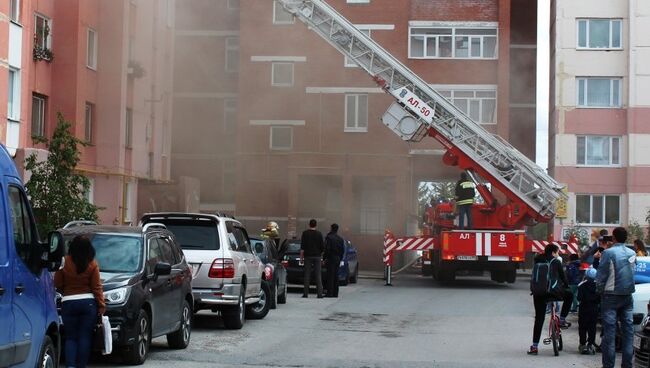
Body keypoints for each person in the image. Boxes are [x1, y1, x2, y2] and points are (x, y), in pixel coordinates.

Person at [54, 235, 106, 368]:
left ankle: (70, 366)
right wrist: (101, 305)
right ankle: (81, 365)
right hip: (88, 304)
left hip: (69, 302)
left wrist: (66, 290)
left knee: (71, 337)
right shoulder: (92, 264)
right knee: (85, 337)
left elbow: (57, 282)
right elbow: (96, 287)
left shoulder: (64, 261)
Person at [595, 227, 636, 368]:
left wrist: (599, 291)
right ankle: (627, 365)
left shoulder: (608, 253)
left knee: (610, 334)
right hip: (627, 295)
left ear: (613, 238)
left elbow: (601, 275)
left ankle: (608, 365)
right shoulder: (632, 252)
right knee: (628, 333)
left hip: (610, 296)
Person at [527, 243, 574, 355]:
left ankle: (534, 347)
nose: (558, 254)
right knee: (570, 295)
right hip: (553, 293)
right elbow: (563, 278)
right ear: (553, 252)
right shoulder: (556, 262)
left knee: (539, 318)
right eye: (557, 252)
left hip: (538, 293)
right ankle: (562, 319)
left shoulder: (537, 261)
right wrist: (566, 286)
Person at [300, 219, 324, 298]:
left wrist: (301, 258)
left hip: (308, 256)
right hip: (317, 256)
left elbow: (302, 247)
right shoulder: (319, 234)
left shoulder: (305, 233)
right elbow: (322, 247)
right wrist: (321, 256)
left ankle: (305, 293)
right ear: (316, 225)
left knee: (307, 275)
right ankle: (319, 294)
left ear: (309, 224)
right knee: (318, 275)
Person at [577, 267, 599, 355]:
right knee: (592, 327)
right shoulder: (598, 285)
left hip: (584, 308)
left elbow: (579, 298)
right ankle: (590, 343)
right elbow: (600, 298)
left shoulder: (582, 285)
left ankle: (582, 344)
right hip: (594, 309)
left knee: (582, 327)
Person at [324, 223, 345, 298]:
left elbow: (327, 249)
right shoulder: (340, 239)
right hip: (337, 259)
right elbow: (342, 250)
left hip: (331, 258)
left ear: (331, 228)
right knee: (336, 276)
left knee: (330, 276)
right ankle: (335, 293)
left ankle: (330, 293)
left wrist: (324, 258)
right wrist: (340, 258)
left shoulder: (329, 237)